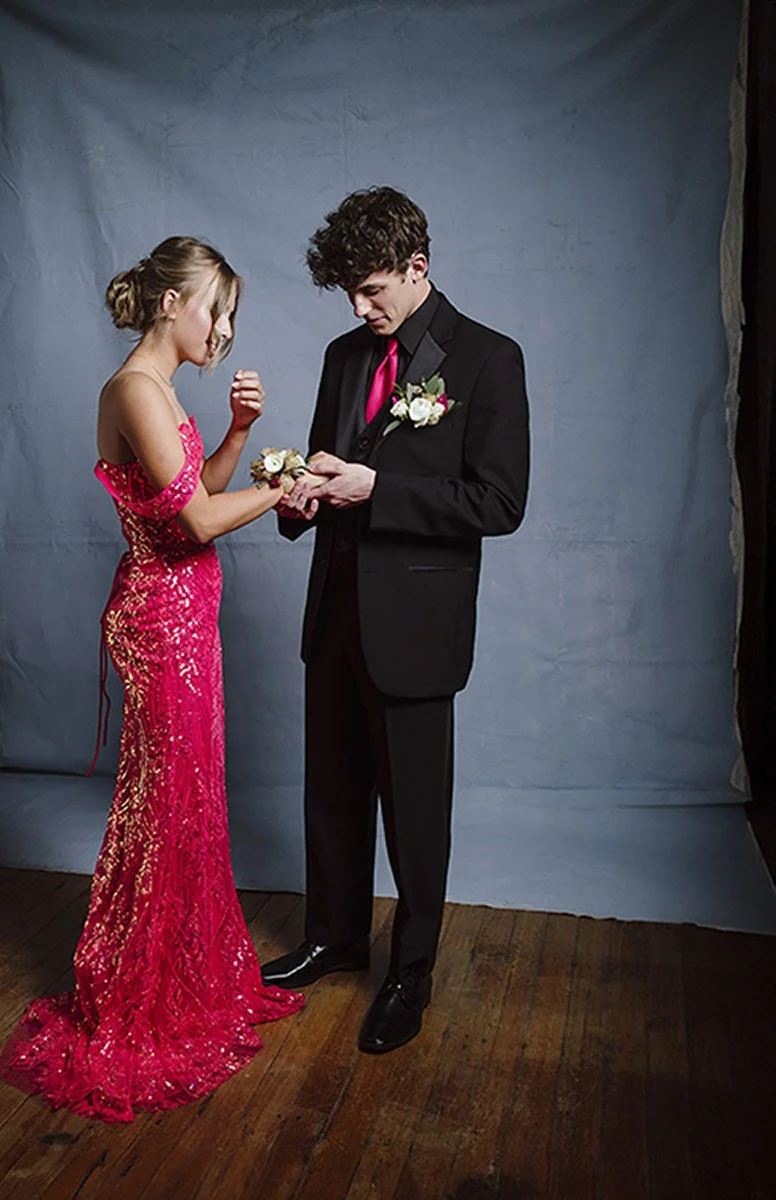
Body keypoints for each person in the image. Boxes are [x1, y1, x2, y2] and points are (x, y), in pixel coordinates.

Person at [0, 236, 303, 1121]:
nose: (225, 331)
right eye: (217, 310)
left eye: (232, 317)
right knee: (166, 806)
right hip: (161, 625)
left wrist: (239, 436)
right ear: (172, 303)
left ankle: (184, 979)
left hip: (186, 618)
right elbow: (197, 523)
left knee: (188, 802)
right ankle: (145, 995)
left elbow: (187, 497)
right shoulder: (134, 388)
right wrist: (286, 485)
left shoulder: (161, 390)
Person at [261, 188, 530, 1054]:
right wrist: (298, 499)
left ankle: (411, 971)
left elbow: (499, 502)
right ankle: (334, 938)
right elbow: (323, 469)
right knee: (332, 793)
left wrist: (378, 489)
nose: (358, 308)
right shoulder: (345, 356)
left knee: (415, 812)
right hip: (334, 612)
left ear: (418, 267)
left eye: (372, 290)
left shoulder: (488, 358)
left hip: (415, 624)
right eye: (348, 291)